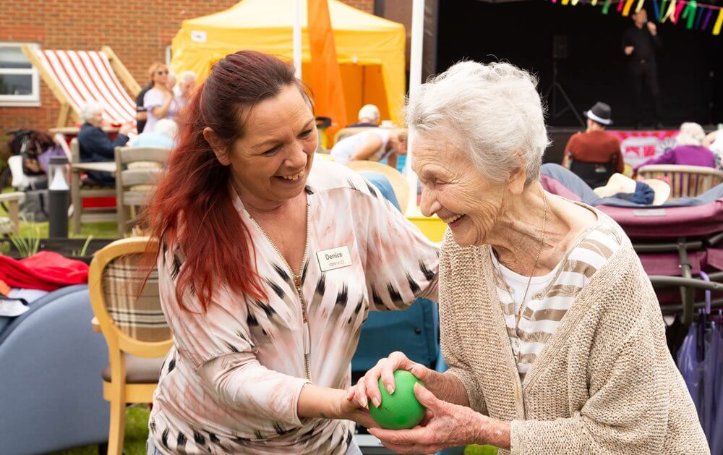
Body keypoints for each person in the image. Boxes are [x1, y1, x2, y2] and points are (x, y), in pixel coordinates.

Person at [348, 60, 708, 454]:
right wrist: (430, 387)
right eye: (420, 181)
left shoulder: (603, 267)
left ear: (514, 170)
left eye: (438, 181)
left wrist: (486, 432)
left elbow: (629, 439)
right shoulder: (463, 249)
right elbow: (479, 382)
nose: (426, 204)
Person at [144, 50, 439, 454]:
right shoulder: (192, 233)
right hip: (211, 445)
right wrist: (341, 403)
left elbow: (437, 275)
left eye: (306, 132)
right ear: (219, 146)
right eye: (270, 149)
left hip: (325, 443)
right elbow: (231, 374)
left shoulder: (345, 195)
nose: (298, 160)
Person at [562, 101, 624, 189]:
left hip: (577, 188)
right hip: (603, 188)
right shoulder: (613, 141)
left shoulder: (576, 139)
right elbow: (619, 169)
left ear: (590, 122)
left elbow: (565, 166)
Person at [622, 9, 663, 129]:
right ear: (634, 17)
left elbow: (660, 47)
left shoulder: (649, 30)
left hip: (650, 65)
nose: (643, 16)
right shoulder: (629, 32)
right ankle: (638, 121)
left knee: (654, 92)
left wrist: (654, 33)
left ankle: (657, 121)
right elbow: (623, 48)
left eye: (645, 14)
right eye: (640, 14)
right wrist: (626, 50)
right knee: (637, 93)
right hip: (635, 65)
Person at [77, 101, 132, 185]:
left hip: (99, 170)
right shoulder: (92, 132)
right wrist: (122, 134)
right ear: (90, 117)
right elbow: (112, 151)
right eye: (99, 115)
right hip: (104, 173)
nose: (102, 118)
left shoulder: (87, 130)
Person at [634, 121, 716, 172]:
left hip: (679, 197)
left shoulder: (677, 151)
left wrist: (637, 168)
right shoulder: (710, 154)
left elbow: (655, 162)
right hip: (707, 197)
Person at [330, 128, 407, 169]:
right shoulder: (377, 141)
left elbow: (392, 171)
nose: (406, 153)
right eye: (406, 149)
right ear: (402, 143)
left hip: (352, 159)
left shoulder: (393, 147)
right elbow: (355, 159)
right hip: (343, 156)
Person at [143, 63, 180, 133]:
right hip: (155, 133)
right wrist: (169, 98)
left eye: (166, 72)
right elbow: (159, 115)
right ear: (153, 77)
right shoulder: (152, 93)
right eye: (160, 73)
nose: (164, 75)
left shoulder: (171, 92)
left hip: (172, 134)